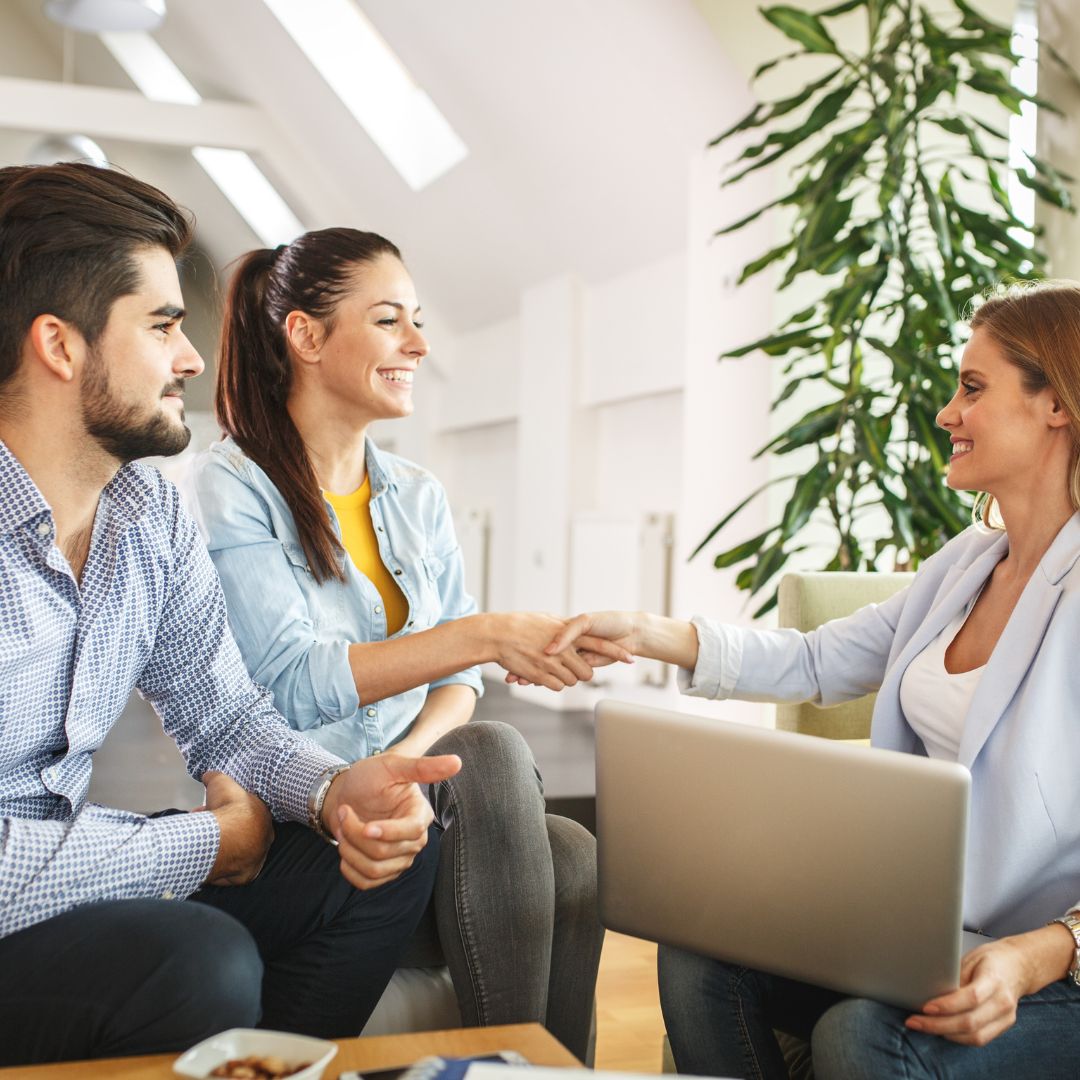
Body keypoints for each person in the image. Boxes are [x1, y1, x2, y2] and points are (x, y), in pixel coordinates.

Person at [543, 282, 1080, 1078]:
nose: (947, 413)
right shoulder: (965, 566)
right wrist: (649, 634)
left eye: (973, 388)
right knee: (701, 948)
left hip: (1049, 967)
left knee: (860, 1035)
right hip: (926, 935)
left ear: (1057, 404)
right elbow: (818, 660)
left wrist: (1041, 954)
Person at [0, 162, 465, 1068]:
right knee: (197, 963)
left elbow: (224, 718)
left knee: (372, 859)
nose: (191, 358)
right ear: (59, 345)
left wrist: (334, 795)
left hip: (67, 888)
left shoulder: (148, 514)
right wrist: (200, 844)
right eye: (162, 326)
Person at [188, 228, 620, 1059]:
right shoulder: (232, 486)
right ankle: (514, 1070)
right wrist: (481, 634)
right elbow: (289, 684)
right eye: (390, 320)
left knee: (556, 832)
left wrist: (408, 765)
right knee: (547, 828)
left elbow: (460, 683)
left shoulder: (417, 494)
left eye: (417, 320)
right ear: (306, 336)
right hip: (305, 811)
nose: (418, 344)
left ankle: (517, 1073)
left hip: (406, 794)